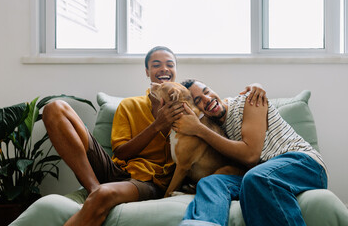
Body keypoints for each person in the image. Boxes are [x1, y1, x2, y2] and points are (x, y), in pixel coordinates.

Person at [41, 46, 267, 226]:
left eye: (170, 64)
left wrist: (256, 85)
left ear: (176, 71)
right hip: (117, 168)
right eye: (156, 65)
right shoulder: (129, 105)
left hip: (148, 181)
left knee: (104, 196)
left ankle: (99, 193)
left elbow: (216, 105)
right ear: (147, 71)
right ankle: (92, 187)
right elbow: (121, 152)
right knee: (55, 108)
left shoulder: (186, 107)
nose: (163, 69)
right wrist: (158, 125)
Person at [174, 79, 328, 226]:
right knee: (211, 182)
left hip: (304, 164)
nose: (207, 99)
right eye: (198, 100)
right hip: (261, 176)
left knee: (256, 177)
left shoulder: (249, 100)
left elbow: (250, 156)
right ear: (195, 110)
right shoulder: (214, 127)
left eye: (207, 91)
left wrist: (200, 130)